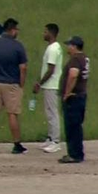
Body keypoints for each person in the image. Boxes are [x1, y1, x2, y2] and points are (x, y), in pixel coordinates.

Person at [0, 18, 29, 154]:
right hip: (11, 83)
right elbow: (23, 68)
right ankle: (16, 144)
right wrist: (21, 84)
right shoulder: (18, 46)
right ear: (13, 30)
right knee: (12, 114)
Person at [33, 23, 63, 153]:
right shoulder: (54, 47)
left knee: (52, 113)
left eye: (45, 32)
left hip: (52, 85)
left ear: (51, 33)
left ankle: (55, 141)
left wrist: (39, 83)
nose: (43, 34)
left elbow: (51, 69)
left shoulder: (52, 49)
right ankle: (51, 138)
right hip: (50, 85)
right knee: (49, 112)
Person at [59, 36, 89, 163]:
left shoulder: (75, 59)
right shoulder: (84, 58)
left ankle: (74, 154)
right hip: (81, 95)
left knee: (72, 127)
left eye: (69, 45)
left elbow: (73, 75)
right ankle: (77, 152)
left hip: (74, 98)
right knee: (77, 126)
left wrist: (67, 93)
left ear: (74, 46)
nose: (68, 47)